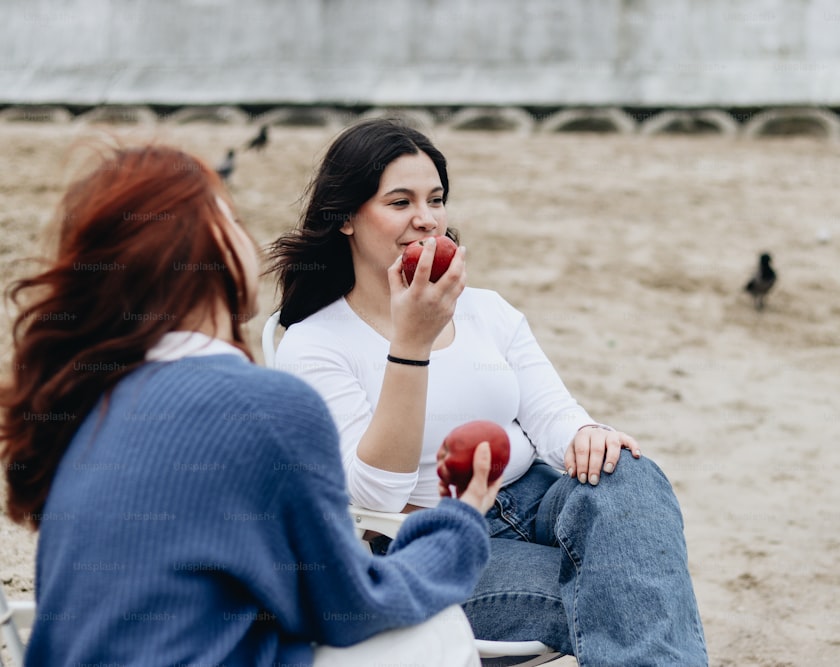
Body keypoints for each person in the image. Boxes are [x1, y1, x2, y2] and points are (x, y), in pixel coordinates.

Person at [0, 143, 502, 666]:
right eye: (233, 219)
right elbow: (353, 604)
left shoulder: (93, 403)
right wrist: (459, 523)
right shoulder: (267, 405)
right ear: (205, 248)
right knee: (436, 627)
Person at [269, 118, 709, 666]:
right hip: (426, 536)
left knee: (631, 471)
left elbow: (553, 415)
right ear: (346, 220)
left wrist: (585, 434)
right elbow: (375, 495)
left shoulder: (486, 308)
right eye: (399, 202)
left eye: (436, 199)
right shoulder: (315, 345)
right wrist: (412, 341)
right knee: (631, 588)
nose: (426, 220)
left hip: (537, 497)